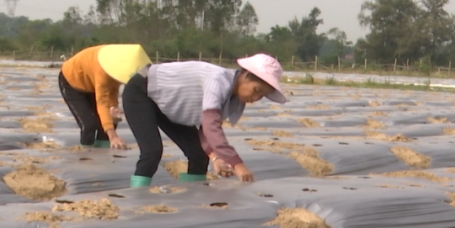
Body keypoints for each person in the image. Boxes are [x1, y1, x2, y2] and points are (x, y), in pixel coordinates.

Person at [122, 54, 287, 187]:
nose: (255, 97)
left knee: (199, 155)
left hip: (169, 104)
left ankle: (193, 200)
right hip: (142, 91)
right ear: (244, 76)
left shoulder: (232, 97)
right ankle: (138, 202)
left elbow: (205, 129)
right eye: (256, 90)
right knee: (152, 151)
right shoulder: (217, 80)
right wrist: (237, 164)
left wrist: (216, 158)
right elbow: (211, 126)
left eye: (261, 95)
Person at [59, 44, 152, 149]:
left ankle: (103, 154)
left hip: (92, 83)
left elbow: (113, 88)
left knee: (112, 119)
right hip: (72, 81)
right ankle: (86, 155)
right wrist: (113, 137)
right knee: (89, 124)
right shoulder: (103, 69)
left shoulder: (119, 66)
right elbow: (102, 102)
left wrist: (113, 107)